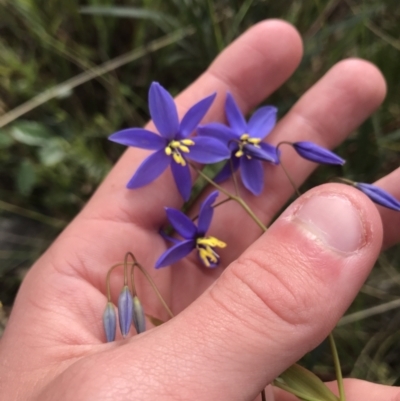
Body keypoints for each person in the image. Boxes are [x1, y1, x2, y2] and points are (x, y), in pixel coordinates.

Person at [0, 19, 399, 401]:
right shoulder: (185, 166)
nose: (179, 151)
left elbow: (224, 162)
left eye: (181, 145)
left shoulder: (229, 159)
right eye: (173, 147)